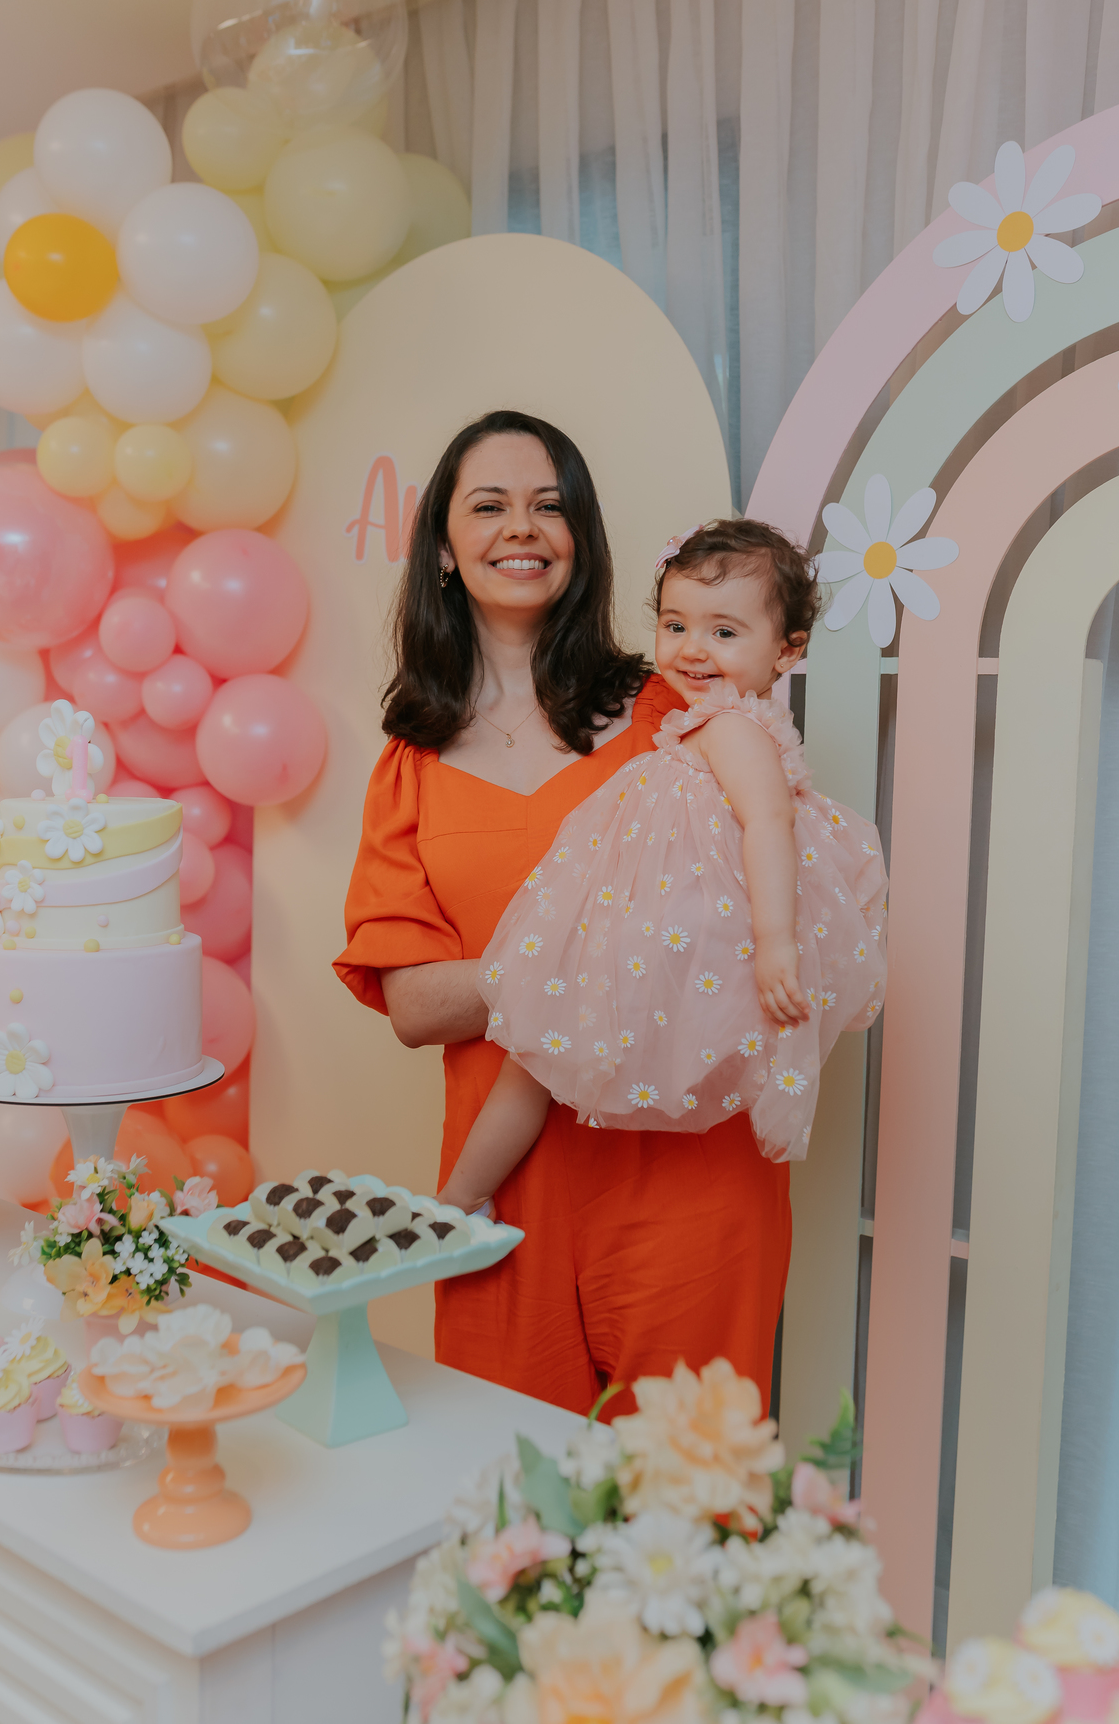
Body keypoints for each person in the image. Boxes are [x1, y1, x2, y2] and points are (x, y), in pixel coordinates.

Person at [334, 412, 792, 1419]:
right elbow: (415, 1005)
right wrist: (590, 957)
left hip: (685, 1174)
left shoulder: (676, 709)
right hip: (503, 1194)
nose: (521, 527)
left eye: (550, 505)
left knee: (688, 1488)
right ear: (444, 547)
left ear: (581, 537)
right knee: (511, 1487)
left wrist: (529, 973)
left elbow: (749, 916)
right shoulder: (409, 761)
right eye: (488, 506)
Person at [438, 520, 888, 1217]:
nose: (692, 649)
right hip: (653, 927)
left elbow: (769, 824)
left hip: (664, 938)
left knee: (532, 1058)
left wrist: (776, 942)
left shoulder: (734, 728)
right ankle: (465, 1196)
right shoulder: (707, 721)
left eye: (724, 632)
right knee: (533, 1060)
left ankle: (463, 1197)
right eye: (676, 625)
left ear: (787, 650)